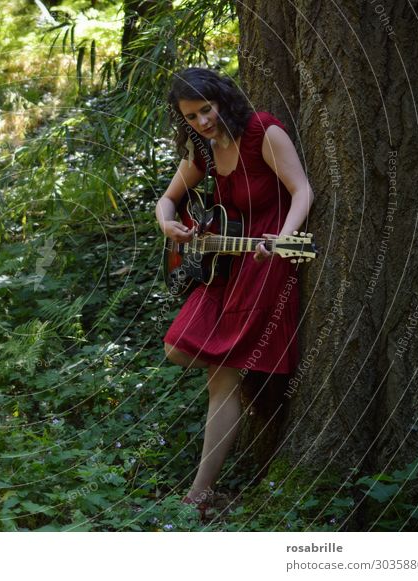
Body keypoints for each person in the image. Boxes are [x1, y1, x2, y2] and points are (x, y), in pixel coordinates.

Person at [154, 67, 314, 519]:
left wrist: (283, 237)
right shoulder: (204, 148)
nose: (203, 121)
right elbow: (167, 201)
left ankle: (198, 497)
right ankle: (252, 381)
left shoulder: (261, 130)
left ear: (222, 99)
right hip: (224, 264)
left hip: (266, 264)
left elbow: (302, 189)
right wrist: (167, 222)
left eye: (207, 109)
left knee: (220, 378)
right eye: (191, 116)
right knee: (177, 347)